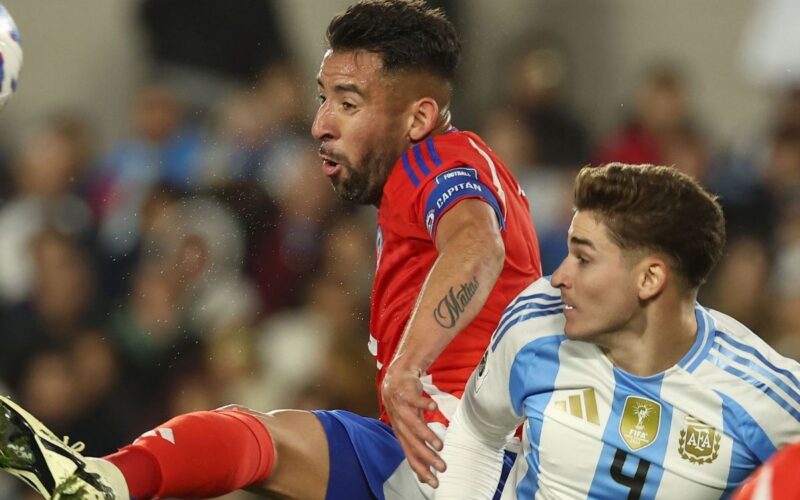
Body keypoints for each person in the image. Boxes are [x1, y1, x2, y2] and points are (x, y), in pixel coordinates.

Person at [0, 1, 541, 499]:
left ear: (418, 119)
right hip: (429, 450)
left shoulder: (434, 163)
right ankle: (104, 481)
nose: (320, 124)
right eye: (322, 97)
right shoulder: (460, 167)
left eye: (347, 103)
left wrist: (408, 365)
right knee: (259, 438)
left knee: (263, 440)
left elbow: (476, 246)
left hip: (464, 461)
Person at [435, 163, 800, 499]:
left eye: (583, 258)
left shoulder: (763, 393)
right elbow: (478, 432)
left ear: (649, 279)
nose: (559, 276)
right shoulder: (536, 321)